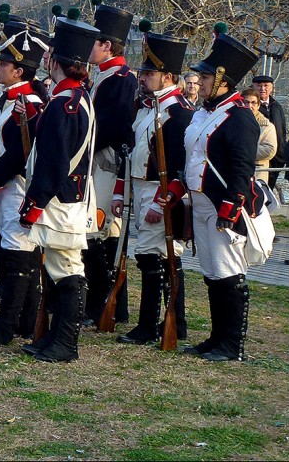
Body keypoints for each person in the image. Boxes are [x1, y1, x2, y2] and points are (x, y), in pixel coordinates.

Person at [18, 11, 99, 362]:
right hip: (65, 195)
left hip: (59, 198)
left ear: (58, 61)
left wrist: (33, 201)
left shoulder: (66, 104)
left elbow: (54, 160)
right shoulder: (71, 97)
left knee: (67, 267)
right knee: (56, 265)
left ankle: (66, 342)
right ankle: (54, 336)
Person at [176, 24, 259, 361]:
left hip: (222, 205)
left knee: (228, 270)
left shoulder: (239, 117)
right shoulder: (203, 113)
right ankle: (216, 337)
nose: (201, 82)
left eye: (207, 77)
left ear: (223, 80)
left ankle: (232, 344)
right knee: (212, 271)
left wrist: (231, 208)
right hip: (199, 200)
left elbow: (242, 169)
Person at [0, 8, 49, 346]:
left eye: (3, 64)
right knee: (17, 253)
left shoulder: (28, 104)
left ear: (18, 70)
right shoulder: (8, 99)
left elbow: (17, 156)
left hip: (16, 186)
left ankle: (7, 323)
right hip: (5, 186)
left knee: (18, 253)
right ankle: (26, 319)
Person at [114, 22, 194, 346]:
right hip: (141, 189)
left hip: (160, 194)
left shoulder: (179, 113)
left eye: (149, 73)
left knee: (159, 256)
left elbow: (180, 165)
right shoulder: (145, 108)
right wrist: (121, 192)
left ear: (168, 77)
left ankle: (156, 325)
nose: (143, 77)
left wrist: (163, 201)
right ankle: (163, 323)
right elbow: (131, 153)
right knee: (152, 256)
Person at [84, 0, 138, 328]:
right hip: (96, 164)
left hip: (106, 165)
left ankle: (108, 303)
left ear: (106, 45)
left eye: (93, 42)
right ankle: (104, 301)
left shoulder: (120, 79)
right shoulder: (104, 76)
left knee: (102, 235)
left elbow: (111, 127)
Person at [252, 75, 286, 188]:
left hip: (276, 159)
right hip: (258, 160)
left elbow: (282, 131)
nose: (262, 89)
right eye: (259, 85)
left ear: (271, 87)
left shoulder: (277, 106)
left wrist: (281, 155)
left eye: (266, 85)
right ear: (253, 87)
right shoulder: (250, 108)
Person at [242, 86, 278, 180]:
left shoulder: (267, 126)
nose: (249, 106)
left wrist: (243, 151)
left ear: (258, 106)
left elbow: (269, 150)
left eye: (253, 103)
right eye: (246, 102)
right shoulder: (230, 123)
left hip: (256, 173)